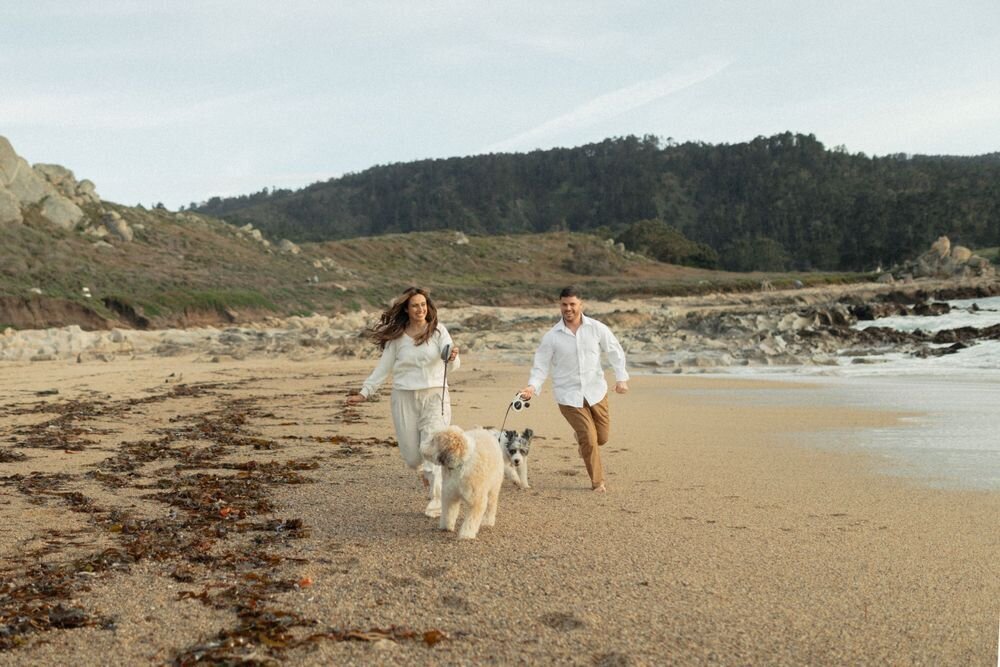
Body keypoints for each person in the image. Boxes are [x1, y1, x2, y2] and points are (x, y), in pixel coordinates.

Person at [346, 286, 460, 516]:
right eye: (415, 305)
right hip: (404, 396)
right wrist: (365, 392)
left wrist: (452, 355)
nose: (420, 309)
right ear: (407, 310)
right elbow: (383, 368)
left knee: (431, 446)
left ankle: (437, 500)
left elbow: (449, 356)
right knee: (411, 456)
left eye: (423, 305)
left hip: (435, 394)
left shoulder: (438, 331)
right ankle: (426, 474)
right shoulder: (397, 339)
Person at [519, 286, 629, 493]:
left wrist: (621, 378)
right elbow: (541, 365)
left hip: (596, 392)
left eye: (572, 304)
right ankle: (598, 482)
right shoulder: (552, 336)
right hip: (568, 396)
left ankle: (582, 441)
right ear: (559, 305)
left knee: (601, 438)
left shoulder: (597, 328)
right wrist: (532, 387)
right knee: (589, 436)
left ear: (581, 304)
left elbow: (615, 351)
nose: (568, 308)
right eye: (564, 304)